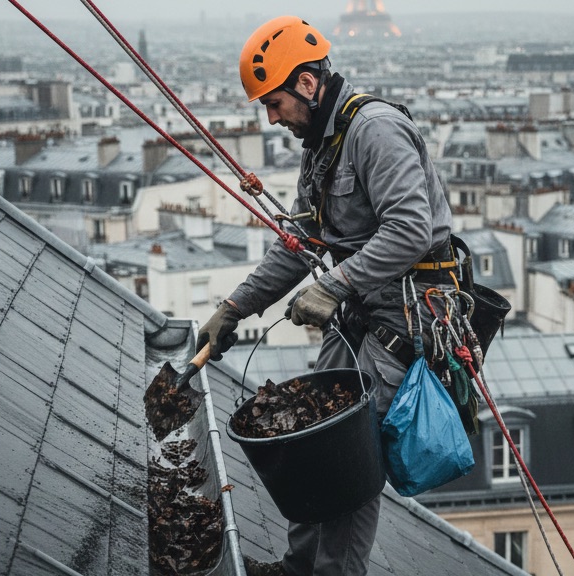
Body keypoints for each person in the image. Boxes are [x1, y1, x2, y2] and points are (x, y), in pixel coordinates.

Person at [198, 15, 457, 576]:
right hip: (363, 313)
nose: (271, 117)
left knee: (348, 463)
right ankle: (301, 566)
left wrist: (335, 283)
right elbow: (301, 244)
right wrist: (235, 307)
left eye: (274, 101)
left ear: (308, 83)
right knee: (310, 439)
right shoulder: (323, 146)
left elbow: (411, 230)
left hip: (405, 317)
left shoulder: (374, 131)